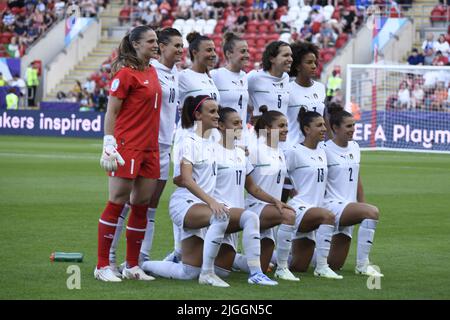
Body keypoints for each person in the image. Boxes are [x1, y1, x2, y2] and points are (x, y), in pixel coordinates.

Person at [108, 27, 184, 270]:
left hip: (162, 146)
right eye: (176, 45)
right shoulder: (146, 71)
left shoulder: (176, 74)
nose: (181, 50)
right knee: (124, 203)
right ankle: (108, 258)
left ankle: (140, 259)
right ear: (161, 47)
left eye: (183, 46)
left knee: (148, 206)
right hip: (139, 143)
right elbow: (118, 108)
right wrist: (111, 140)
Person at [94, 25, 162, 282]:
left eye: (156, 40)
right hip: (127, 146)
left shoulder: (153, 70)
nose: (156, 44)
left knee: (142, 205)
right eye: (151, 41)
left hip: (150, 148)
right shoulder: (124, 74)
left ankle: (132, 265)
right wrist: (109, 144)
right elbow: (111, 112)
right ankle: (102, 266)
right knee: (117, 202)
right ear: (135, 44)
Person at [142, 95, 231, 287]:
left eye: (218, 111)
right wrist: (212, 202)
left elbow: (233, 145)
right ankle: (207, 274)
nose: (217, 115)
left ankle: (145, 264)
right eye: (212, 111)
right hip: (185, 204)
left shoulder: (214, 139)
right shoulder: (188, 140)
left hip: (201, 204)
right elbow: (186, 179)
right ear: (198, 115)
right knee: (221, 216)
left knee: (189, 272)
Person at [213, 107, 289, 285]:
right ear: (221, 126)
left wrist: (276, 201)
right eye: (236, 123)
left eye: (241, 122)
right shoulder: (211, 152)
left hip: (236, 212)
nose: (241, 126)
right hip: (219, 212)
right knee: (191, 270)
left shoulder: (241, 153)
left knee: (222, 271)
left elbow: (253, 188)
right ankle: (258, 274)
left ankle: (249, 265)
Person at [233, 107, 300, 281]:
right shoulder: (255, 150)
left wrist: (292, 191)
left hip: (270, 207)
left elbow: (277, 179)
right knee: (289, 215)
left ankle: (231, 259)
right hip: (255, 207)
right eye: (281, 125)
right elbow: (250, 185)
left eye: (286, 125)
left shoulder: (279, 152)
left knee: (260, 266)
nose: (286, 129)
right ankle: (283, 268)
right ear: (269, 129)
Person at [324, 108, 384, 277]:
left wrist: (361, 204)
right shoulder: (324, 149)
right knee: (372, 212)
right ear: (335, 128)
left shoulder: (355, 147)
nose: (352, 130)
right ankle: (363, 265)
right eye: (348, 126)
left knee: (334, 264)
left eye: (354, 125)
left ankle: (284, 257)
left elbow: (357, 179)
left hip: (349, 207)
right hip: (331, 206)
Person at [284, 108, 343, 279]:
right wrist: (284, 201)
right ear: (307, 129)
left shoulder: (323, 151)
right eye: (319, 125)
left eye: (324, 124)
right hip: (300, 208)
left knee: (299, 266)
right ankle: (322, 267)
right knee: (328, 216)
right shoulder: (294, 151)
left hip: (314, 210)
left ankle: (251, 259)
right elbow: (280, 177)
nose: (324, 128)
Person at [210, 32, 249, 148]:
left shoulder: (246, 77)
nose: (247, 55)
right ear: (229, 54)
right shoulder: (215, 75)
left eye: (247, 51)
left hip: (242, 137)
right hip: (221, 138)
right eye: (243, 51)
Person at [247, 41, 292, 118]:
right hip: (263, 130)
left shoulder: (287, 78)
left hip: (283, 129)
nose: (290, 59)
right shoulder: (254, 77)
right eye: (285, 55)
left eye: (291, 55)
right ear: (272, 59)